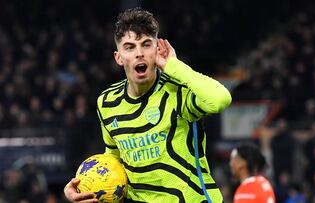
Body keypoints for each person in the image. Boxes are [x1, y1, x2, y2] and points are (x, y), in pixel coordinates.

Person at [64, 7, 232, 203]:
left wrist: (174, 66)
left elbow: (221, 99)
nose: (139, 54)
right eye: (129, 47)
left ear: (157, 50)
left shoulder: (177, 91)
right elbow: (113, 160)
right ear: (119, 58)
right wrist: (84, 186)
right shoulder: (107, 102)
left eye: (146, 45)